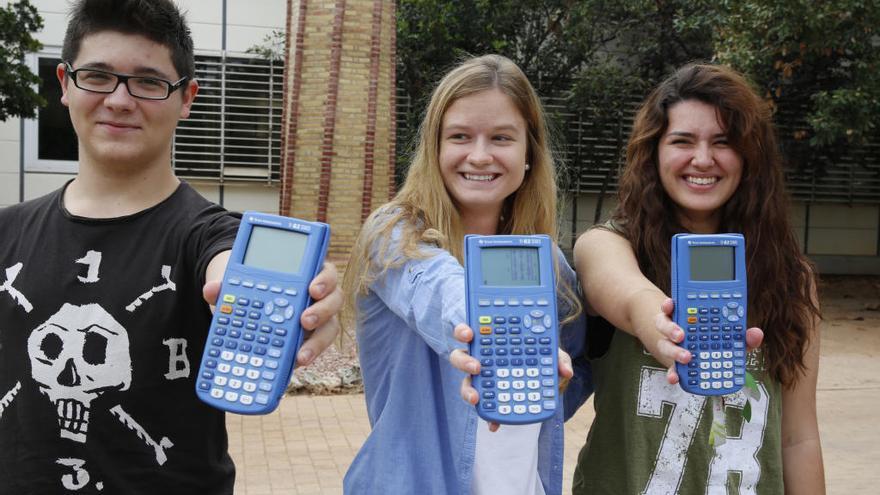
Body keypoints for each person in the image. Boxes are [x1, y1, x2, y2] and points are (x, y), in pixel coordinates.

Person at [0, 1, 341, 493]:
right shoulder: (6, 234)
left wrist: (293, 296)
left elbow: (231, 264)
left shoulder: (210, 234)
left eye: (148, 82)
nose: (119, 100)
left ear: (187, 98)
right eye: (97, 76)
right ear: (65, 84)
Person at [567, 63, 824, 494]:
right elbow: (629, 293)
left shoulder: (791, 277)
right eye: (682, 141)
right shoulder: (608, 245)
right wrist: (661, 327)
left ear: (748, 157)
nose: (702, 159)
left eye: (722, 142)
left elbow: (799, 438)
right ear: (654, 152)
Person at [341, 54, 587, 494]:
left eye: (501, 137)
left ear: (529, 151)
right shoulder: (395, 234)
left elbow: (582, 352)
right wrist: (486, 331)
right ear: (435, 147)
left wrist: (536, 389)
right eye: (459, 136)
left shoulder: (546, 260)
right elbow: (437, 290)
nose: (479, 155)